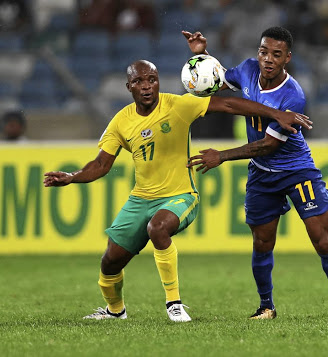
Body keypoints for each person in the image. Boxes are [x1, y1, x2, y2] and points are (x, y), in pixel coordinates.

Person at [43, 60, 312, 322]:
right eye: (139, 81)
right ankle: (115, 311)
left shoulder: (179, 105)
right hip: (141, 199)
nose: (147, 86)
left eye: (152, 79)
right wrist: (72, 177)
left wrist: (276, 114)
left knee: (158, 227)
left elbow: (228, 103)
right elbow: (101, 164)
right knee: (110, 263)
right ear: (129, 87)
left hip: (180, 196)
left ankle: (174, 303)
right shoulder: (121, 121)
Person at [182, 27, 328, 320]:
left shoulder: (293, 96)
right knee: (262, 243)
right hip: (263, 175)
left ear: (287, 58)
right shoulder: (248, 69)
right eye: (264, 51)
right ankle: (266, 306)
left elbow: (268, 145)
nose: (267, 59)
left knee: (322, 240)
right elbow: (217, 83)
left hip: (296, 170)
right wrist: (202, 56)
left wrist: (222, 156)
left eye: (276, 54)